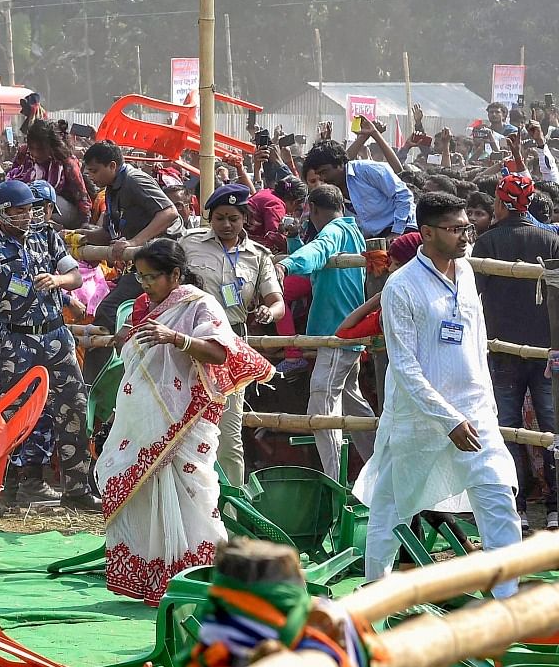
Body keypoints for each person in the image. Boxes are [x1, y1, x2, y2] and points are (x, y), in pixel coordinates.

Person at [354, 192, 521, 596]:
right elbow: (406, 367)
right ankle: (377, 593)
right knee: (393, 508)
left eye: (467, 227)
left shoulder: (466, 273)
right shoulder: (402, 287)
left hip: (474, 413)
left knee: (499, 498)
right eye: (455, 228)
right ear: (427, 233)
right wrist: (447, 419)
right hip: (418, 419)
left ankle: (507, 602)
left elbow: (475, 343)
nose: (466, 235)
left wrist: (483, 406)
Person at [97, 239, 273, 605]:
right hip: (147, 416)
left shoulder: (200, 304)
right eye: (140, 276)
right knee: (145, 493)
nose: (145, 284)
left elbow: (220, 351)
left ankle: (205, 577)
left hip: (189, 415)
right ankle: (155, 580)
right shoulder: (146, 305)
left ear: (175, 274)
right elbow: (141, 356)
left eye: (152, 277)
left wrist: (174, 336)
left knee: (194, 496)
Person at [0, 180, 98, 511]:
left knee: (74, 409)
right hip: (16, 341)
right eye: (18, 211)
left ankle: (77, 491)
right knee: (10, 413)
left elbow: (75, 277)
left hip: (57, 337)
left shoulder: (48, 237)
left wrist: (58, 281)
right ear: (0, 214)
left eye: (29, 209)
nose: (27, 216)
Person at [179, 184, 284, 487]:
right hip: (190, 340)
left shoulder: (258, 256)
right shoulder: (188, 244)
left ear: (244, 220)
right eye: (220, 217)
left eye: (234, 218)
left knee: (229, 432)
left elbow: (276, 301)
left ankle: (231, 512)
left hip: (232, 346)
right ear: (210, 217)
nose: (226, 224)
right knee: (185, 426)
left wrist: (269, 313)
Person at [472, 172, 559, 531]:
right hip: (547, 355)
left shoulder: (487, 243)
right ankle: (555, 508)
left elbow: (471, 297)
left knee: (505, 430)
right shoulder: (551, 240)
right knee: (553, 429)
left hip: (502, 352)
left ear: (502, 204)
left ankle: (516, 507)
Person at [275, 185, 374, 481]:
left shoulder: (334, 232)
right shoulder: (350, 231)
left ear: (314, 210)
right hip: (344, 331)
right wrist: (293, 241)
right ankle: (378, 469)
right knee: (353, 404)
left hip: (337, 333)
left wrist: (285, 264)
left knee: (321, 405)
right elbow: (315, 262)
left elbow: (317, 252)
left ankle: (335, 481)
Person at [80, 140, 183, 380]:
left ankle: (97, 382)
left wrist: (135, 243)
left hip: (158, 262)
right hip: (139, 262)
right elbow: (108, 234)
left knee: (108, 310)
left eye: (94, 170)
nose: (90, 176)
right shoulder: (112, 191)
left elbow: (169, 213)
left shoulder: (135, 180)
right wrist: (82, 234)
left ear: (113, 166)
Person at [301, 139, 415, 239]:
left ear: (340, 164)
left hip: (403, 229)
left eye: (324, 172)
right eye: (319, 174)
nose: (323, 178)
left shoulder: (367, 170)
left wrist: (397, 232)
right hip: (375, 239)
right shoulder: (331, 193)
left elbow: (403, 195)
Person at [7, 119, 91, 222]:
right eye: (32, 148)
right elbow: (13, 180)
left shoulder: (66, 162)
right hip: (28, 207)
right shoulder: (24, 153)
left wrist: (84, 225)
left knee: (39, 194)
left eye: (41, 149)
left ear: (52, 147)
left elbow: (82, 197)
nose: (35, 153)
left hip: (62, 208)